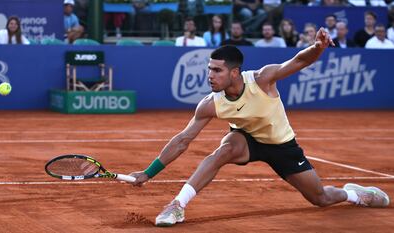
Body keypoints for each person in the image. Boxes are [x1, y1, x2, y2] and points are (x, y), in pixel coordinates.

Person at [127, 29, 390, 227]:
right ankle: (177, 205)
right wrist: (149, 173)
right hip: (247, 140)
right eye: (209, 69)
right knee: (223, 150)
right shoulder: (210, 104)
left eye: (216, 71)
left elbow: (299, 61)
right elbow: (183, 139)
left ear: (234, 72)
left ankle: (354, 195)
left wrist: (318, 47)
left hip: (282, 145)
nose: (209, 76)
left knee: (320, 198)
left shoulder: (263, 79)